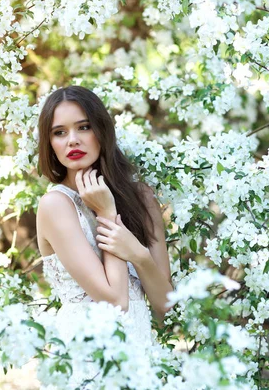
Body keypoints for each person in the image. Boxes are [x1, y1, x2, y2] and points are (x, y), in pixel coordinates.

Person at [35, 86, 173, 354]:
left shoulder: (142, 198)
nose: (72, 140)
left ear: (102, 131)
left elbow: (165, 304)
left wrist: (139, 256)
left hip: (139, 355)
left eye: (84, 127)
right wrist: (106, 213)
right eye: (59, 132)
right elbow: (115, 303)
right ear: (50, 143)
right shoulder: (56, 205)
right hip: (86, 357)